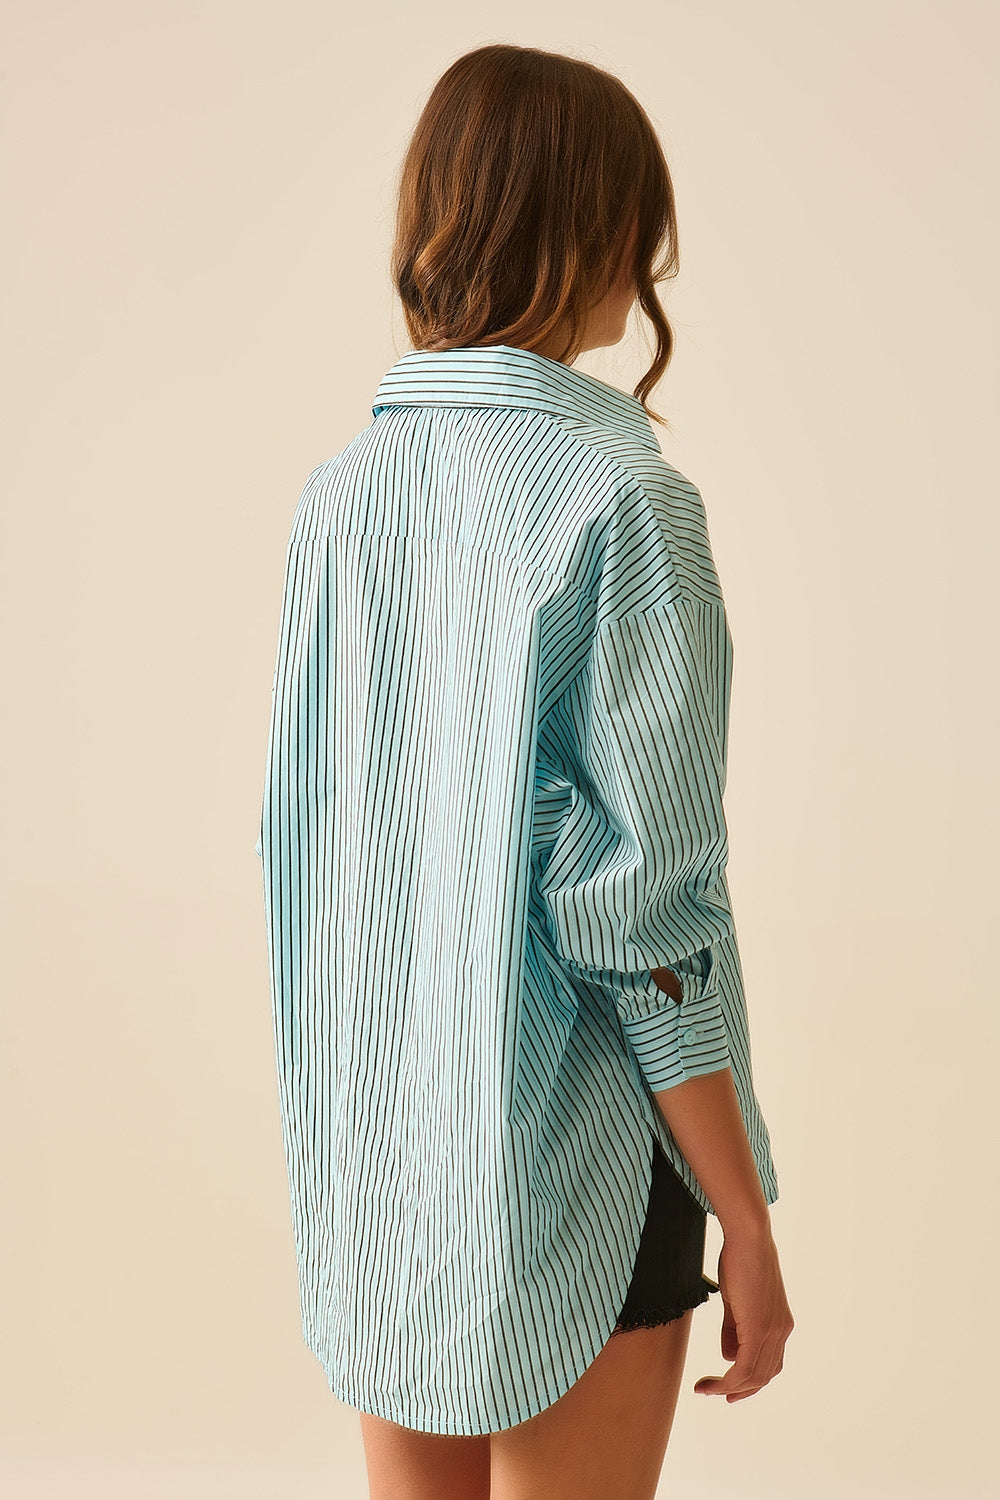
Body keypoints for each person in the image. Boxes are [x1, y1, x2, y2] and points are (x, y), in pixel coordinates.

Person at [256, 41, 793, 1500]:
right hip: (577, 1151)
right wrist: (744, 1210)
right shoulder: (625, 502)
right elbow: (638, 909)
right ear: (597, 226)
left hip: (384, 1150)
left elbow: (320, 849)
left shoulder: (343, 497)